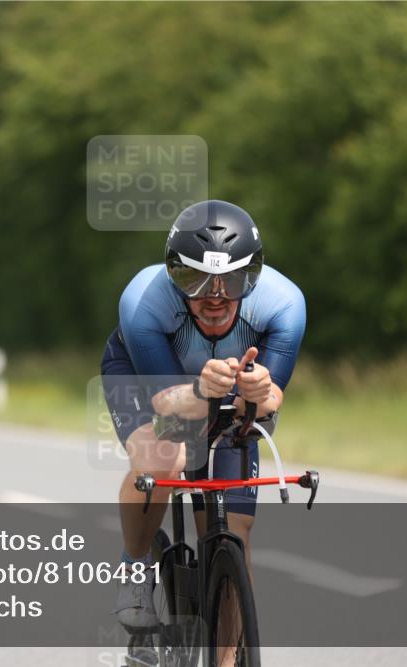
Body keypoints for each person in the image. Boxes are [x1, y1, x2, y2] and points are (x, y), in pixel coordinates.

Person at [102, 200, 306, 630]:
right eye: (195, 280)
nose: (215, 298)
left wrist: (258, 390)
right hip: (145, 378)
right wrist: (199, 389)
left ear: (252, 275)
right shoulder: (143, 302)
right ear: (174, 273)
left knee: (233, 527)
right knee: (164, 459)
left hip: (222, 385)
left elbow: (270, 401)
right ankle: (135, 565)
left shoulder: (284, 303)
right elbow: (165, 404)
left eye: (231, 281)